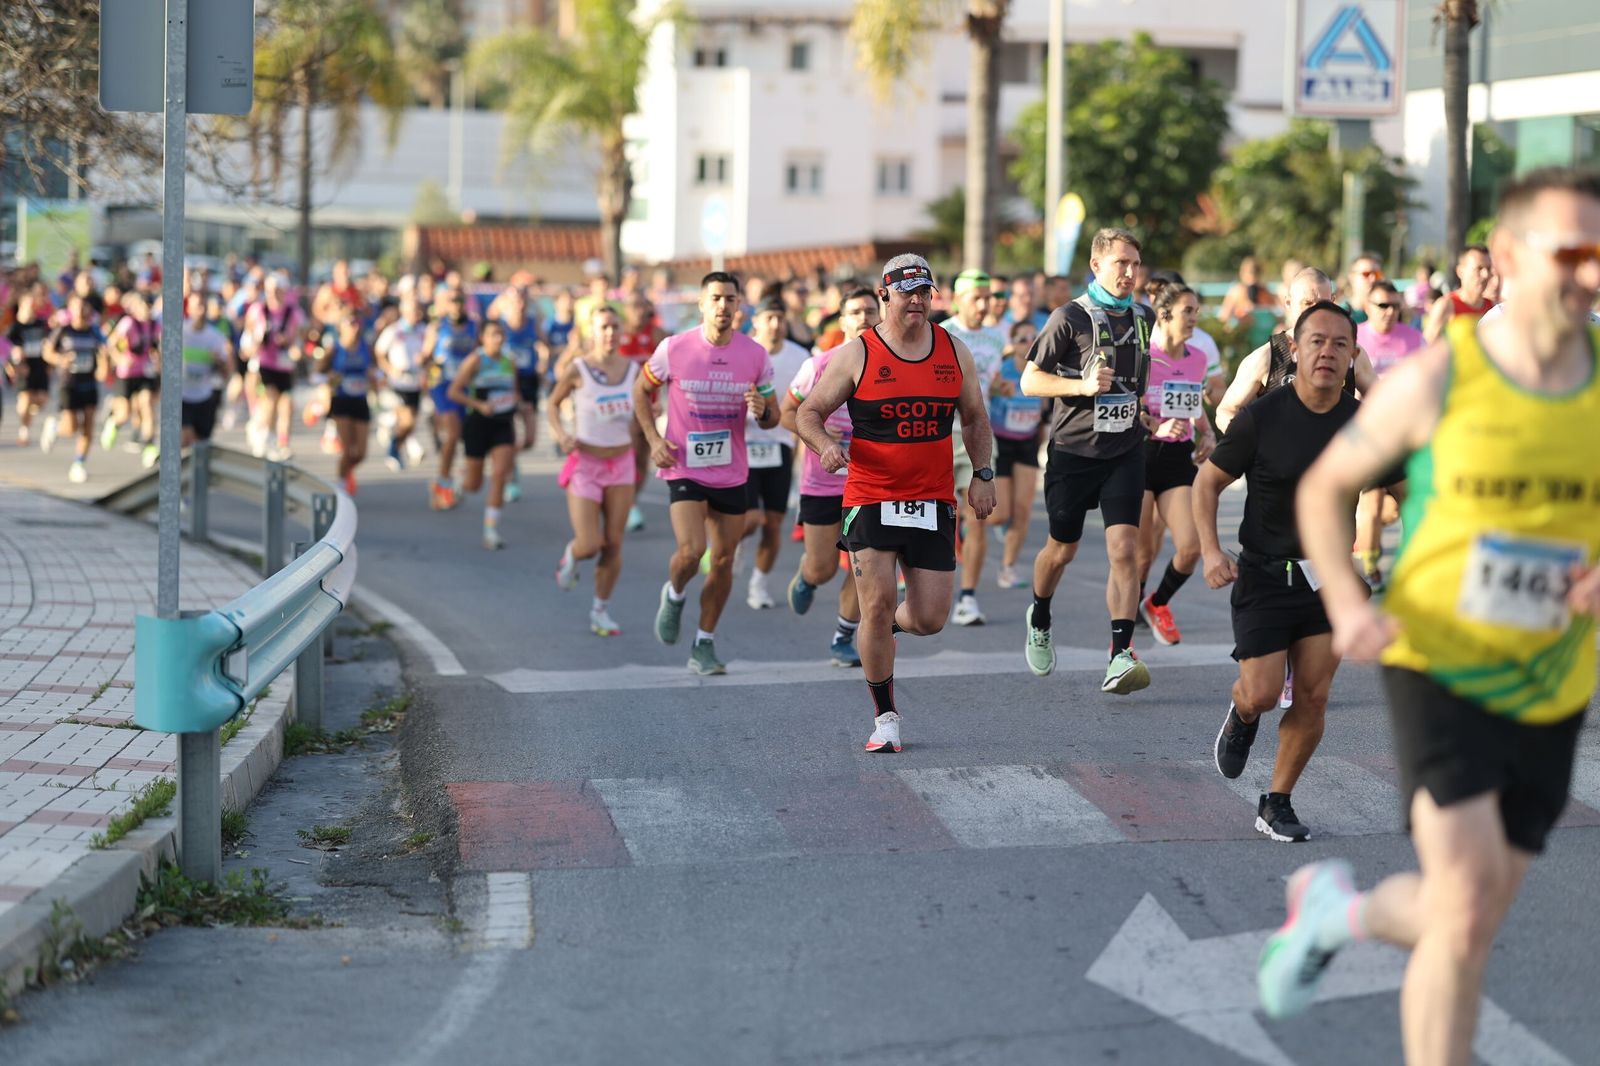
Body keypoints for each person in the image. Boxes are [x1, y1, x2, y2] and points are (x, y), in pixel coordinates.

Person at [1259, 166, 1600, 1065]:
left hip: (1553, 674)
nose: (1588, 273)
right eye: (1571, 251)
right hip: (1437, 659)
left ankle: (1341, 913)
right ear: (1515, 258)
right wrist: (1343, 597)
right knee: (1460, 906)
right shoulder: (1443, 378)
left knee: (1474, 914)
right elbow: (1329, 484)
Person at [1194, 300, 1395, 842]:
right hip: (1264, 573)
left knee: (1313, 695)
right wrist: (1212, 552)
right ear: (1295, 349)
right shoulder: (1263, 417)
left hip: (1331, 580)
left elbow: (1409, 490)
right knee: (1260, 692)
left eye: (1339, 344)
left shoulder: (1365, 426)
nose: (1327, 352)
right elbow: (1207, 483)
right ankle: (1242, 715)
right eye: (1316, 341)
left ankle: (1276, 801)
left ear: (1353, 355)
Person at [796, 253, 995, 752]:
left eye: (925, 292)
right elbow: (809, 411)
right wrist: (824, 445)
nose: (918, 301)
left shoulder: (954, 350)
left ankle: (879, 631)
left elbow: (974, 417)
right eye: (907, 293)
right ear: (883, 296)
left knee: (928, 619)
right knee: (877, 601)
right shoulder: (858, 354)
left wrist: (983, 474)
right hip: (871, 495)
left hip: (932, 498)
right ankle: (886, 717)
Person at [1020, 228, 1155, 694]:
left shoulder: (1144, 316)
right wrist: (1081, 386)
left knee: (1124, 551)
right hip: (1073, 453)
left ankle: (1120, 654)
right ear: (1097, 266)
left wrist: (1147, 410)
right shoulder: (1068, 317)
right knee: (1062, 550)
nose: (1130, 273)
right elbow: (1030, 381)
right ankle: (1039, 613)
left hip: (1125, 450)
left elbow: (1138, 380)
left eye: (1135, 263)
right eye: (1121, 263)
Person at [635, 272, 779, 676]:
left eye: (730, 299)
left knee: (724, 560)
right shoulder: (674, 348)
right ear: (701, 304)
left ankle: (704, 644)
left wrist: (761, 410)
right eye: (715, 298)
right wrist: (653, 439)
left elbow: (774, 416)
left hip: (732, 472)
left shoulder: (754, 355)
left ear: (739, 306)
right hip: (684, 465)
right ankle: (676, 592)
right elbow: (639, 390)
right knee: (691, 551)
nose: (723, 306)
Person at [782, 286, 881, 668]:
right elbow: (789, 413)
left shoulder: (893, 366)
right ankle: (807, 577)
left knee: (866, 566)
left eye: (870, 310)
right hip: (824, 483)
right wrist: (822, 441)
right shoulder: (818, 365)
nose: (863, 317)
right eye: (855, 311)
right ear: (841, 321)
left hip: (872, 484)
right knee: (824, 566)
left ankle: (842, 637)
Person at [548, 305, 637, 636]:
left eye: (615, 326)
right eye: (604, 327)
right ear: (592, 333)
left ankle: (600, 610)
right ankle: (572, 554)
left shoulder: (634, 370)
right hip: (586, 464)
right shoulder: (578, 369)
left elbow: (646, 405)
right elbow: (552, 404)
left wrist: (650, 410)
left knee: (614, 543)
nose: (610, 332)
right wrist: (561, 434)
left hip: (622, 464)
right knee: (590, 544)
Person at [1135, 281, 1216, 646]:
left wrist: (1208, 432)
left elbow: (1192, 400)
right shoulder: (1142, 357)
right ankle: (1123, 633)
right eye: (1188, 311)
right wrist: (1155, 424)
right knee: (1139, 553)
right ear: (1165, 315)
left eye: (1196, 311)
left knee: (1190, 547)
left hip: (1177, 458)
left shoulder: (1197, 358)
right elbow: (1128, 410)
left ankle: (1157, 602)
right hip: (1139, 457)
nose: (1194, 318)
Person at [1215, 268, 1379, 433]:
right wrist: (1251, 447)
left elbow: (1384, 401)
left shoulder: (1352, 354)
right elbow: (1226, 411)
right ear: (1288, 303)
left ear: (1333, 302)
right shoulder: (1267, 357)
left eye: (1323, 304)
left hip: (1335, 457)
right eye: (1307, 303)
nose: (1315, 311)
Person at [940, 269, 1008, 625]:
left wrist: (1000, 390)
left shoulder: (998, 338)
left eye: (988, 298)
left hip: (977, 435)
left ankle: (968, 598)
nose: (984, 306)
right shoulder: (941, 335)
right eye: (976, 299)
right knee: (937, 519)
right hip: (937, 434)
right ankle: (924, 581)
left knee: (979, 516)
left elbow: (987, 382)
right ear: (957, 300)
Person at [1352, 280, 1426, 588]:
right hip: (1367, 434)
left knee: (1393, 509)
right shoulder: (1355, 337)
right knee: (1370, 504)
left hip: (1405, 434)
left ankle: (1365, 545)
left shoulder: (1414, 339)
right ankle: (1370, 569)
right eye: (1383, 305)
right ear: (1368, 307)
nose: (1390, 312)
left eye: (1396, 305)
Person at [740, 297, 810, 610]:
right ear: (756, 321)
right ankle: (731, 542)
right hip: (742, 445)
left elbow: (809, 403)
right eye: (768, 318)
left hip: (779, 445)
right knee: (751, 519)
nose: (775, 324)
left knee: (772, 523)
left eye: (780, 318)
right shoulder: (742, 353)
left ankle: (758, 584)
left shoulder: (800, 357)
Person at [447, 320, 518, 549]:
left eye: (501, 334)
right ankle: (460, 481)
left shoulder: (509, 362)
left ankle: (491, 531)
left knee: (500, 474)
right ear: (482, 338)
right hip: (478, 423)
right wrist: (478, 404)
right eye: (492, 335)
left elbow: (514, 391)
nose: (498, 339)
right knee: (474, 485)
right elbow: (454, 392)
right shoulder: (475, 361)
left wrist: (520, 405)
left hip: (502, 423)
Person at [986, 319, 1044, 590]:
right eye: (1022, 338)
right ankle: (966, 524)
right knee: (1000, 515)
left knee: (1022, 511)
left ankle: (1008, 567)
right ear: (1012, 343)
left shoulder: (1042, 371)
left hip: (1027, 443)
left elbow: (1044, 411)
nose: (1028, 342)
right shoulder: (1003, 370)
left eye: (1033, 336)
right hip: (1001, 443)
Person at [41, 292, 108, 483]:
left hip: (89, 383)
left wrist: (104, 364)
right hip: (68, 383)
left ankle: (79, 464)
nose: (80, 310)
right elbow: (47, 352)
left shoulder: (94, 331)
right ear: (70, 309)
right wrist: (60, 359)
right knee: (71, 428)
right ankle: (54, 427)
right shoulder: (63, 331)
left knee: (88, 427)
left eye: (83, 306)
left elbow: (105, 350)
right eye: (76, 306)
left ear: (88, 309)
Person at [616, 292, 669, 531]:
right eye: (634, 305)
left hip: (648, 407)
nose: (639, 310)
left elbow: (672, 368)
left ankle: (631, 503)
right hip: (618, 408)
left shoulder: (656, 335)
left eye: (642, 306)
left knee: (640, 460)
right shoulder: (616, 334)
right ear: (625, 310)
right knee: (621, 457)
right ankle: (619, 502)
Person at [423, 288, 478, 510]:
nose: (456, 305)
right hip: (443, 386)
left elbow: (478, 353)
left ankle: (447, 480)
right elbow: (426, 356)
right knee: (453, 434)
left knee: (463, 436)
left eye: (459, 301)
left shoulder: (474, 326)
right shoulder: (437, 327)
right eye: (452, 301)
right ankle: (443, 481)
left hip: (465, 387)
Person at [242, 276, 303, 461]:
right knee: (270, 399)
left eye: (278, 290)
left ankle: (282, 443)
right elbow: (248, 338)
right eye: (270, 291)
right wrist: (255, 345)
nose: (274, 295)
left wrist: (292, 346)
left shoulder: (293, 313)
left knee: (286, 405)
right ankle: (264, 435)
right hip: (264, 364)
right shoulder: (258, 310)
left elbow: (300, 337)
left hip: (284, 366)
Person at [102, 291, 160, 466]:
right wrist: (119, 359)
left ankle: (149, 446)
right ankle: (114, 422)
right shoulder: (128, 323)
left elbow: (160, 343)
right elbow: (111, 343)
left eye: (149, 307)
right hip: (127, 373)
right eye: (144, 307)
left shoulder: (155, 325)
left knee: (147, 406)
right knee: (125, 412)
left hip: (145, 372)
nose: (147, 311)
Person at [321, 312, 376, 496]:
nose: (354, 327)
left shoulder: (366, 348)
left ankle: (345, 473)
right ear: (341, 328)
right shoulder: (335, 348)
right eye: (350, 324)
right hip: (341, 400)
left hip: (360, 399)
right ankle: (341, 482)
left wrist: (374, 378)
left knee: (360, 452)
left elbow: (374, 369)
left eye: (356, 323)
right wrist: (330, 378)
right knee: (347, 449)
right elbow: (318, 372)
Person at [497, 285, 543, 502]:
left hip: (529, 381)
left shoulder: (533, 324)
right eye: (515, 299)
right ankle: (510, 478)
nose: (520, 304)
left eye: (523, 299)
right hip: (506, 384)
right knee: (510, 433)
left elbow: (545, 346)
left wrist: (543, 362)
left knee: (530, 438)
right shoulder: (501, 327)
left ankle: (510, 458)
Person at [374, 292, 429, 470]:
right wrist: (390, 369)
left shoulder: (423, 330)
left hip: (416, 382)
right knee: (407, 421)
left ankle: (391, 431)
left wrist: (425, 362)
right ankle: (393, 448)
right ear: (404, 311)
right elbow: (379, 352)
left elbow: (429, 353)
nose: (417, 314)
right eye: (413, 310)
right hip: (398, 383)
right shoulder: (394, 331)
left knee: (410, 422)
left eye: (418, 310)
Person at [179, 291, 232, 447]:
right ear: (189, 309)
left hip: (204, 397)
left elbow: (226, 372)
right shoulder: (181, 332)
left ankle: (193, 471)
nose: (200, 311)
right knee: (184, 439)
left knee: (201, 444)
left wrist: (219, 361)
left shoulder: (215, 336)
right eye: (197, 307)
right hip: (183, 396)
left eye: (203, 306)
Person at [7, 290, 53, 446]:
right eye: (29, 304)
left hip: (40, 367)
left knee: (42, 399)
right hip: (24, 368)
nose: (32, 308)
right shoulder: (15, 328)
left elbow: (50, 345)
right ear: (22, 305)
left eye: (34, 305)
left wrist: (50, 363)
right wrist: (13, 365)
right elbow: (5, 349)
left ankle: (27, 415)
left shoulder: (41, 324)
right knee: (26, 399)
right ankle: (24, 431)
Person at [1423, 245, 1496, 343]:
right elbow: (1426, 347)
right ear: (1460, 271)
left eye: (1488, 268)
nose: (1486, 274)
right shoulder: (1446, 306)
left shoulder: (1493, 308)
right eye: (1479, 268)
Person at [1343, 252, 1385, 324]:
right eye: (1366, 274)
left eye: (1377, 274)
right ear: (1352, 277)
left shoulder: (1389, 313)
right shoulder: (1341, 314)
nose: (1373, 279)